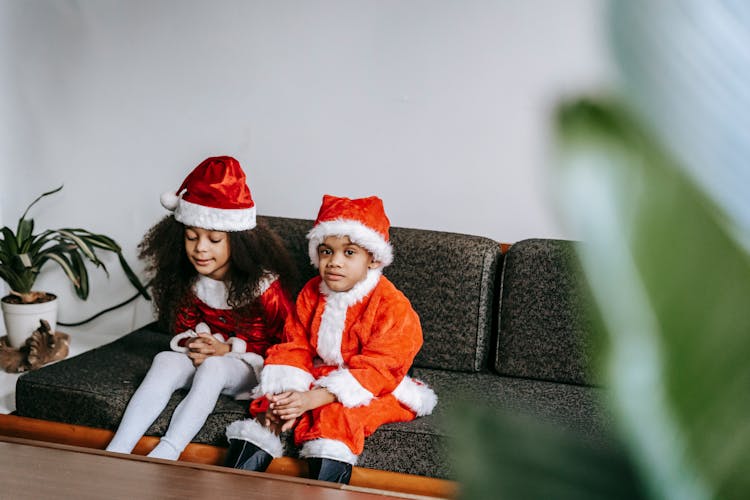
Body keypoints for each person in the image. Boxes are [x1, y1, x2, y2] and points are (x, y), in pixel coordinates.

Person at [224, 194, 437, 483]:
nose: (334, 262)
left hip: (376, 386)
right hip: (317, 373)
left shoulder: (392, 306)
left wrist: (312, 399)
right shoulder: (312, 291)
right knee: (271, 406)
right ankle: (229, 486)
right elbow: (293, 345)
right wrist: (289, 395)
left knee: (336, 416)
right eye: (326, 251)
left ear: (373, 259)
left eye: (349, 253)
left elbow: (380, 369)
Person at [106, 156, 297, 460]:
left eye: (214, 239)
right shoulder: (192, 281)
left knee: (213, 367)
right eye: (191, 237)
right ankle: (117, 450)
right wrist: (194, 342)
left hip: (252, 367)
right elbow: (184, 324)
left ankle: (168, 450)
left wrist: (229, 350)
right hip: (207, 356)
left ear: (238, 242)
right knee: (165, 360)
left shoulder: (265, 288)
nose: (200, 248)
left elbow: (289, 345)